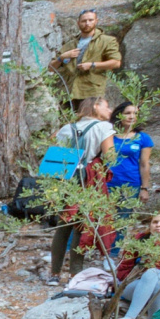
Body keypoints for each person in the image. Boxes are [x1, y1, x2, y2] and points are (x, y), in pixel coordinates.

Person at [49, 96, 116, 280]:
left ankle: (54, 273)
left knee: (63, 226)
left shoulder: (66, 128)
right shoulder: (104, 127)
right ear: (95, 106)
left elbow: (56, 154)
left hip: (67, 179)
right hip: (88, 179)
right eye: (107, 106)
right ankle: (74, 274)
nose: (110, 111)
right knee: (81, 225)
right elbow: (110, 157)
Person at [54, 9, 123, 111]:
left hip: (91, 91)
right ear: (78, 23)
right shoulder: (70, 44)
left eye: (90, 20)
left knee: (91, 119)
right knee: (70, 123)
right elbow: (51, 68)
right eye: (84, 21)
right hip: (69, 92)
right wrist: (62, 57)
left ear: (96, 21)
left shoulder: (106, 41)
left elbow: (116, 63)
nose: (87, 23)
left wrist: (92, 65)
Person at [108, 101, 153, 219]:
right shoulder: (108, 135)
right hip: (107, 183)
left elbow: (144, 164)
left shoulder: (143, 138)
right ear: (119, 115)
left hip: (130, 185)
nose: (132, 116)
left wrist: (144, 188)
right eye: (127, 113)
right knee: (101, 221)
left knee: (122, 221)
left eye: (135, 113)